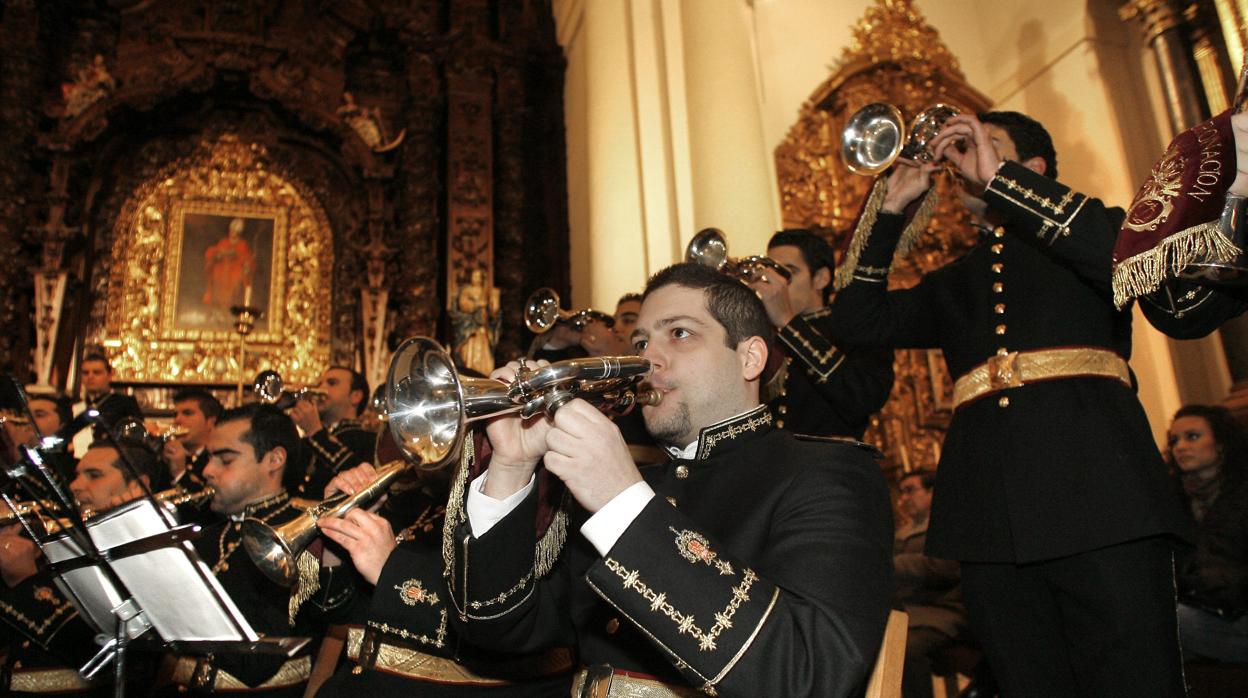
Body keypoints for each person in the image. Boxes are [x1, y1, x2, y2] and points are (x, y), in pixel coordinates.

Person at [829, 111, 1189, 696]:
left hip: (1103, 500)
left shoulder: (1094, 236)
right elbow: (856, 322)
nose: (963, 162)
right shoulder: (954, 281)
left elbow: (1125, 257)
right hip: (990, 518)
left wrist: (998, 177)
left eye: (984, 147)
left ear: (1036, 170)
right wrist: (890, 212)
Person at [449, 262, 894, 696]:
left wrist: (622, 502)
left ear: (751, 357)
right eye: (640, 341)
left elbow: (810, 675)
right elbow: (496, 633)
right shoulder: (628, 484)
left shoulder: (828, 474)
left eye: (679, 333)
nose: (646, 359)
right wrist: (510, 468)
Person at [309, 462, 573, 695]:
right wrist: (339, 526)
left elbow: (512, 624)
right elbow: (332, 608)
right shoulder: (412, 501)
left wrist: (392, 571)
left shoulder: (547, 508)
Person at [162, 404, 345, 695]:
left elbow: (263, 659)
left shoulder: (307, 532)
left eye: (225, 460)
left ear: (274, 459)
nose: (207, 471)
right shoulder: (209, 535)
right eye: (209, 458)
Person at [0, 444, 162, 695]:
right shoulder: (64, 540)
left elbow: (102, 656)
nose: (75, 485)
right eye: (76, 475)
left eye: (94, 476)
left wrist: (26, 580)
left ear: (138, 486)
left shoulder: (154, 553)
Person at [750, 228, 894, 438]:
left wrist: (788, 324)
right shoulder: (763, 335)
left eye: (788, 273)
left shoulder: (856, 327)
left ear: (821, 278)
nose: (777, 283)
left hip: (831, 464)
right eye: (771, 272)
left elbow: (865, 397)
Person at [1166, 404, 1248, 663]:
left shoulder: (1242, 494)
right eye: (1174, 441)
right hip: (1206, 612)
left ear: (1221, 444)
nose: (1180, 447)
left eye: (1192, 436)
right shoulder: (1173, 503)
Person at [893, 470, 967, 698]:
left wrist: (895, 564)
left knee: (905, 648)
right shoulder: (902, 532)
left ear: (932, 492)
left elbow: (945, 567)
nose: (904, 498)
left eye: (910, 490)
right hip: (909, 610)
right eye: (902, 492)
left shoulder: (950, 524)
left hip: (942, 610)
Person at [288, 367, 375, 498]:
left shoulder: (370, 439)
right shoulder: (307, 441)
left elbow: (362, 480)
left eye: (332, 383)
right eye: (319, 384)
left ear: (355, 396)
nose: (319, 390)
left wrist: (315, 432)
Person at [68, 353, 142, 458]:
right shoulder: (72, 406)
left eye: (96, 372)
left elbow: (135, 437)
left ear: (110, 374)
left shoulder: (125, 403)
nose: (90, 376)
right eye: (85, 373)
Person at [162, 388, 222, 491]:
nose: (177, 420)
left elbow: (206, 504)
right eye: (175, 415)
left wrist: (180, 473)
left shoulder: (220, 460)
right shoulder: (164, 458)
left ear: (210, 422)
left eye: (187, 413)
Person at [202, 217, 255, 314]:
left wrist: (238, 258)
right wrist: (219, 255)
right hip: (221, 269)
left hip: (235, 270)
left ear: (238, 232)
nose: (232, 232)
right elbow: (215, 252)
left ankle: (228, 308)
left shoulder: (242, 244)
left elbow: (246, 258)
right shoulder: (224, 242)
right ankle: (218, 308)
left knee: (236, 279)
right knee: (217, 277)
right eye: (231, 230)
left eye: (234, 231)